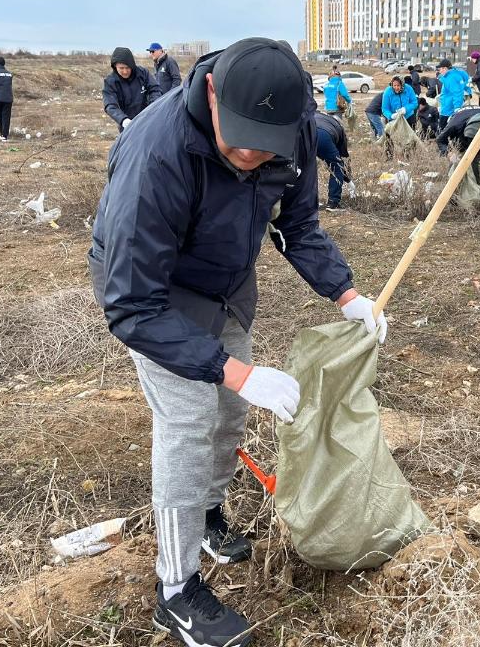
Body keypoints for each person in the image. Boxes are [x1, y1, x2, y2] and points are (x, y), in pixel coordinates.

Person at [88, 38, 388, 647]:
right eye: (242, 136)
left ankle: (207, 513)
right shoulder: (157, 152)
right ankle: (175, 592)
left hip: (226, 286)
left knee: (229, 417)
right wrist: (234, 370)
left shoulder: (295, 129)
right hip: (157, 296)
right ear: (213, 93)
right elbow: (131, 304)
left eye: (267, 141)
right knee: (191, 421)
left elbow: (297, 224)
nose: (252, 152)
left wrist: (346, 294)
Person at [435, 105, 480, 185]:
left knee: (476, 164)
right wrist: (449, 153)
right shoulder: (455, 124)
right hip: (462, 137)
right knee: (456, 164)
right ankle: (453, 187)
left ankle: (476, 188)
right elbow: (440, 140)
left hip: (479, 140)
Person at [103, 47, 161, 132]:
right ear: (115, 66)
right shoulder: (110, 82)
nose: (125, 71)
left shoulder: (142, 73)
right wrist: (123, 120)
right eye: (121, 68)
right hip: (127, 124)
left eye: (128, 68)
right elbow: (110, 105)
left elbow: (155, 89)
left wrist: (153, 108)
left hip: (147, 119)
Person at [314, 111, 350, 211]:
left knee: (304, 169)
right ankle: (333, 203)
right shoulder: (339, 128)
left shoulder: (317, 115)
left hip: (302, 133)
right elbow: (342, 157)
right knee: (337, 167)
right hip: (322, 136)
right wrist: (348, 178)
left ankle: (305, 202)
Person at [436, 58, 471, 130]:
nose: (440, 71)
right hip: (447, 105)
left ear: (445, 68)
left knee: (443, 130)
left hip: (448, 108)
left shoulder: (451, 78)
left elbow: (457, 93)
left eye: (440, 69)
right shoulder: (453, 75)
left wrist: (457, 107)